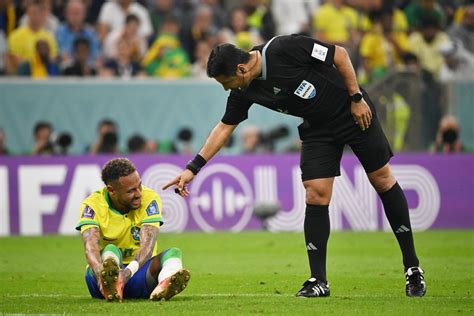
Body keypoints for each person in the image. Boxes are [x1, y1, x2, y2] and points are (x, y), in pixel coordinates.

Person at [163, 34, 427, 298]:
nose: (225, 88)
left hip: (352, 113)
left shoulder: (283, 48)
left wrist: (356, 98)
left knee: (381, 179)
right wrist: (192, 168)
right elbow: (224, 128)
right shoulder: (243, 89)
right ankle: (318, 280)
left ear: (241, 69)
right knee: (315, 193)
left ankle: (412, 268)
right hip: (318, 129)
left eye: (225, 82)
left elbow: (341, 55)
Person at [76, 157, 190, 301]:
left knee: (173, 253)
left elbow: (148, 246)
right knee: (111, 250)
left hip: (138, 275)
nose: (138, 194)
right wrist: (100, 275)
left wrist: (127, 273)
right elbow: (90, 247)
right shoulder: (92, 205)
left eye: (139, 186)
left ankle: (164, 285)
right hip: (100, 283)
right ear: (111, 190)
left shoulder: (149, 199)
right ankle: (110, 281)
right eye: (131, 191)